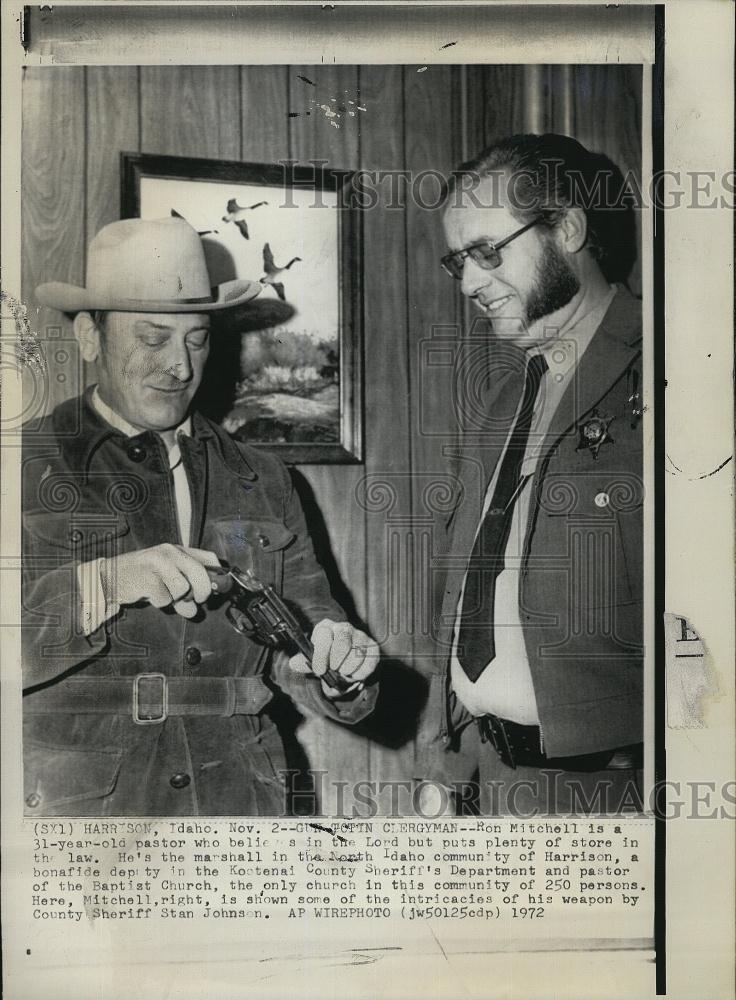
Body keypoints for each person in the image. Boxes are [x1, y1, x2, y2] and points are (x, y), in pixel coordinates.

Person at [22, 216, 380, 817]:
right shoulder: (21, 464)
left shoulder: (264, 478)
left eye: (197, 339)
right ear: (89, 337)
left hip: (242, 804)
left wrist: (338, 666)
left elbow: (308, 641)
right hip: (83, 814)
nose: (182, 367)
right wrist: (105, 584)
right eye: (154, 337)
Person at [419, 133, 644, 815]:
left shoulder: (674, 373)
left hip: (613, 793)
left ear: (568, 227)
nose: (468, 283)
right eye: (457, 260)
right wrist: (441, 765)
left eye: (488, 253)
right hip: (494, 785)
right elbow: (464, 592)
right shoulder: (501, 402)